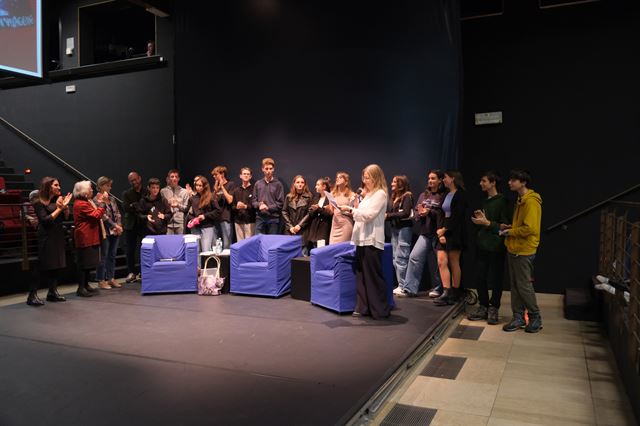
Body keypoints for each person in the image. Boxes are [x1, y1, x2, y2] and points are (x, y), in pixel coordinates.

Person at [340, 164, 390, 320]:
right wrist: (350, 210)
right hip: (361, 239)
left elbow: (369, 215)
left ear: (375, 178)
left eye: (367, 177)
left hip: (372, 239)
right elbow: (361, 214)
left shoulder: (380, 194)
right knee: (361, 275)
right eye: (364, 177)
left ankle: (380, 309)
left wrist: (351, 210)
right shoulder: (368, 195)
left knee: (373, 276)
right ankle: (364, 307)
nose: (365, 180)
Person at [500, 169, 543, 333]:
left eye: (513, 180)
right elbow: (523, 226)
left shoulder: (531, 201)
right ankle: (518, 317)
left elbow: (530, 228)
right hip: (515, 247)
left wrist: (510, 232)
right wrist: (510, 228)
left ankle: (535, 317)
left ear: (523, 182)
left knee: (524, 286)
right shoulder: (521, 199)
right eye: (510, 180)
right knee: (516, 286)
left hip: (524, 250)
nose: (510, 183)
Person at [468, 171, 510, 325]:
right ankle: (483, 306)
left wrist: (487, 223)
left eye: (484, 181)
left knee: (496, 278)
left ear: (493, 183)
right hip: (482, 245)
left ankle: (494, 307)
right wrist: (480, 221)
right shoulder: (485, 201)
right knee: (480, 276)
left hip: (496, 246)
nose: (481, 183)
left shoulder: (503, 201)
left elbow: (505, 226)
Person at [400, 171, 445, 298]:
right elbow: (416, 212)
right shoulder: (423, 195)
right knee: (414, 257)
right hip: (425, 233)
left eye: (433, 178)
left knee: (439, 263)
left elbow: (443, 214)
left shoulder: (443, 196)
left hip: (438, 233)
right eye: (429, 178)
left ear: (440, 180)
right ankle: (409, 288)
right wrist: (419, 213)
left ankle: (438, 288)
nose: (430, 181)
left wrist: (429, 212)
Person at [29, 177, 72, 306]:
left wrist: (65, 208)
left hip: (57, 235)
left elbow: (65, 217)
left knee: (56, 265)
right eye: (56, 185)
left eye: (59, 185)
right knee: (41, 266)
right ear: (48, 186)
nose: (59, 187)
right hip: (46, 236)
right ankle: (31, 296)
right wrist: (60, 208)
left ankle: (52, 293)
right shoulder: (38, 202)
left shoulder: (56, 200)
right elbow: (45, 221)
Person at [434, 170, 469, 306]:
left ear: (453, 179)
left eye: (446, 178)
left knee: (454, 261)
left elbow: (457, 216)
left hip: (455, 232)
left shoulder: (461, 195)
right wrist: (440, 231)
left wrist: (445, 230)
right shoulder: (446, 194)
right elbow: (440, 213)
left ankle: (455, 292)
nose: (443, 180)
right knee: (442, 261)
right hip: (443, 231)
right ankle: (446, 291)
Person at [73, 180, 107, 297]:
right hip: (85, 237)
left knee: (88, 264)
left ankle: (86, 285)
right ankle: (81, 288)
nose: (92, 190)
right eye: (90, 188)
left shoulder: (86, 202)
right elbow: (96, 215)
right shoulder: (81, 204)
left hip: (90, 236)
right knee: (83, 264)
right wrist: (102, 202)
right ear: (84, 192)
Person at [94, 176, 124, 290]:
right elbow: (103, 216)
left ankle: (111, 278)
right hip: (105, 231)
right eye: (107, 185)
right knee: (104, 256)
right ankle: (101, 280)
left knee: (112, 255)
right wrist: (114, 225)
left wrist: (119, 225)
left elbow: (118, 213)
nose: (109, 188)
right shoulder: (97, 199)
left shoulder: (112, 199)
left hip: (115, 231)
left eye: (110, 185)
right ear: (101, 186)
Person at [386, 175, 414, 294]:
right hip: (395, 229)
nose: (391, 184)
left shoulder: (407, 196)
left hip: (404, 229)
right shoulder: (394, 197)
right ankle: (400, 284)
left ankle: (403, 286)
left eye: (394, 182)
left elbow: (406, 213)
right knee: (394, 258)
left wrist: (388, 216)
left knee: (401, 257)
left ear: (401, 184)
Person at [186, 175, 222, 252]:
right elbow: (188, 213)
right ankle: (198, 264)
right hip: (195, 228)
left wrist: (205, 216)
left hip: (207, 227)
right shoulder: (192, 198)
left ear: (205, 186)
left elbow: (218, 211)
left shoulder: (211, 197)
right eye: (196, 185)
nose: (197, 187)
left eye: (200, 186)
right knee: (196, 250)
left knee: (206, 250)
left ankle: (206, 264)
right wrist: (192, 219)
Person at [122, 171, 146, 283]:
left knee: (144, 249)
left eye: (135, 179)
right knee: (130, 250)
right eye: (131, 180)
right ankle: (131, 272)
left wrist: (135, 205)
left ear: (140, 178)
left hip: (143, 225)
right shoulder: (126, 193)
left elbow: (145, 207)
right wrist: (136, 206)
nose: (134, 182)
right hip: (130, 225)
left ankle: (143, 272)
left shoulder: (146, 192)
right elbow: (126, 208)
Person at [252, 157, 284, 234]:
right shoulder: (258, 184)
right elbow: (253, 201)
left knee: (271, 243)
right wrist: (259, 205)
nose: (268, 171)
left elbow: (280, 203)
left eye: (270, 168)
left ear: (273, 169)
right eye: (266, 169)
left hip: (273, 218)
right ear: (262, 169)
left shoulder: (278, 184)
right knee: (258, 241)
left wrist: (268, 207)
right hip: (260, 217)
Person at [281, 175, 312, 251]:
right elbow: (284, 211)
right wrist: (290, 226)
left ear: (304, 184)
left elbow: (310, 213)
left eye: (302, 182)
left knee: (303, 256)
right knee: (290, 255)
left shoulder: (309, 197)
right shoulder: (288, 197)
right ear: (294, 184)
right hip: (290, 231)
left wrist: (299, 225)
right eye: (297, 182)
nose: (300, 184)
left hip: (303, 230)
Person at [212, 166, 237, 248]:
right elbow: (213, 202)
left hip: (226, 218)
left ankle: (227, 261)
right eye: (213, 175)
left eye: (216, 175)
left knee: (227, 244)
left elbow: (230, 200)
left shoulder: (231, 184)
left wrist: (222, 187)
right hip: (216, 218)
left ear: (222, 174)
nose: (214, 177)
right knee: (216, 244)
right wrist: (216, 190)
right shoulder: (216, 187)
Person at [305, 177, 333, 253]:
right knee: (312, 251)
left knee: (321, 251)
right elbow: (310, 213)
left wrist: (319, 209)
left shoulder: (330, 199)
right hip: (314, 229)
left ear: (324, 186)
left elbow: (330, 213)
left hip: (323, 229)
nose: (315, 187)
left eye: (318, 185)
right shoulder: (315, 198)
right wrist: (313, 209)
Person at [328, 171, 357, 244]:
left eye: (340, 177)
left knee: (342, 248)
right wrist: (326, 208)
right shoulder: (332, 194)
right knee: (332, 247)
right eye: (337, 177)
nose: (337, 179)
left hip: (346, 224)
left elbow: (356, 212)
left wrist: (346, 210)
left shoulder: (352, 195)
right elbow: (331, 211)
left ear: (346, 182)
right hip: (335, 224)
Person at [160, 169, 190, 235]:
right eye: (172, 176)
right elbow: (161, 207)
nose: (174, 178)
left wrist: (178, 205)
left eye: (176, 177)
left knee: (180, 243)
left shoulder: (184, 192)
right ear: (168, 178)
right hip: (167, 223)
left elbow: (186, 208)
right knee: (168, 244)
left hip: (180, 223)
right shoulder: (163, 191)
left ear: (179, 178)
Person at [232, 167, 256, 241]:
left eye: (248, 174)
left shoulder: (254, 189)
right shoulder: (236, 190)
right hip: (238, 221)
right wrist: (237, 207)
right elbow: (232, 206)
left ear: (250, 176)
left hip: (250, 221)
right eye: (244, 174)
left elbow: (255, 205)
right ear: (240, 176)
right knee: (240, 244)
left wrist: (245, 206)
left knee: (249, 244)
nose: (246, 175)